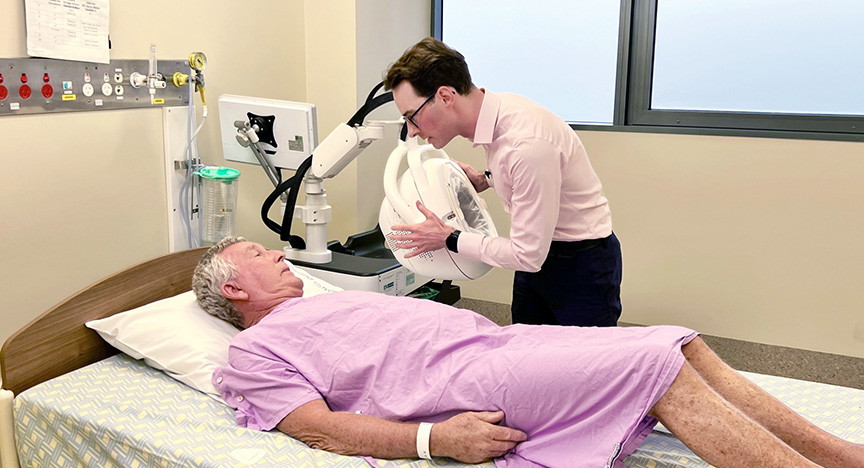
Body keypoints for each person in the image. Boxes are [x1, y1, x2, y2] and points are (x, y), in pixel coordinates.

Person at [192, 236, 863, 468]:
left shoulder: (320, 300)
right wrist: (434, 440)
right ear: (234, 289)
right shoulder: (254, 355)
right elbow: (319, 428)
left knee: (677, 340)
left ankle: (838, 455)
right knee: (648, 366)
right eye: (258, 255)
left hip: (496, 343)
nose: (278, 253)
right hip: (465, 380)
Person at [383, 37, 622, 327]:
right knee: (526, 349)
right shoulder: (496, 115)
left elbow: (527, 255)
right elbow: (526, 178)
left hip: (580, 263)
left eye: (412, 117)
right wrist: (486, 179)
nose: (412, 131)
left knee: (587, 365)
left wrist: (449, 238)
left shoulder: (526, 144)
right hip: (540, 257)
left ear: (446, 97)